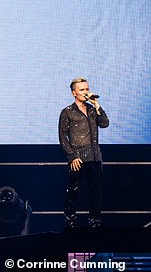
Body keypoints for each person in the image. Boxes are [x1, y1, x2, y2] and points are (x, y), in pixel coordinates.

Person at [58, 77, 109, 228]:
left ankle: (94, 222)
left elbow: (105, 123)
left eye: (87, 89)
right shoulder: (67, 112)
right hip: (78, 158)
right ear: (74, 93)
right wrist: (72, 156)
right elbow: (62, 137)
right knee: (73, 192)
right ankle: (70, 221)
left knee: (96, 193)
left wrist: (97, 105)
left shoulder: (93, 109)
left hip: (95, 157)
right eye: (82, 90)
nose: (86, 92)